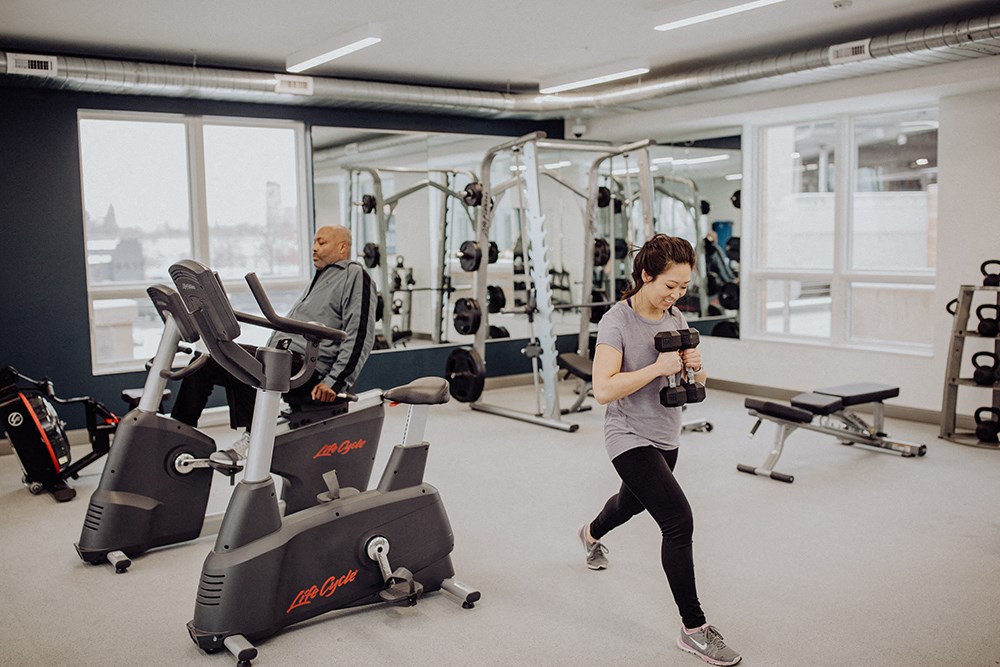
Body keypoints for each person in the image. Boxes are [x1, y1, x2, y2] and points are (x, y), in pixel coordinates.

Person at [576, 234, 741, 666]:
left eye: (684, 287)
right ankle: (694, 629)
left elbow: (697, 385)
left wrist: (696, 367)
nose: (677, 295)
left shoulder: (676, 319)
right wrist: (655, 368)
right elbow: (602, 389)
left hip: (666, 435)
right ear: (645, 275)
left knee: (628, 505)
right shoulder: (616, 323)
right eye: (670, 285)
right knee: (678, 521)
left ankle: (590, 533)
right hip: (627, 436)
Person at [170, 224, 377, 430]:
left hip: (309, 368)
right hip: (284, 359)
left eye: (321, 242)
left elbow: (360, 335)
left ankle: (254, 435)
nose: (314, 247)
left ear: (342, 248)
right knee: (206, 360)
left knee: (245, 362)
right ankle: (179, 433)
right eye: (314, 242)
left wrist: (335, 382)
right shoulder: (322, 277)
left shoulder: (355, 275)